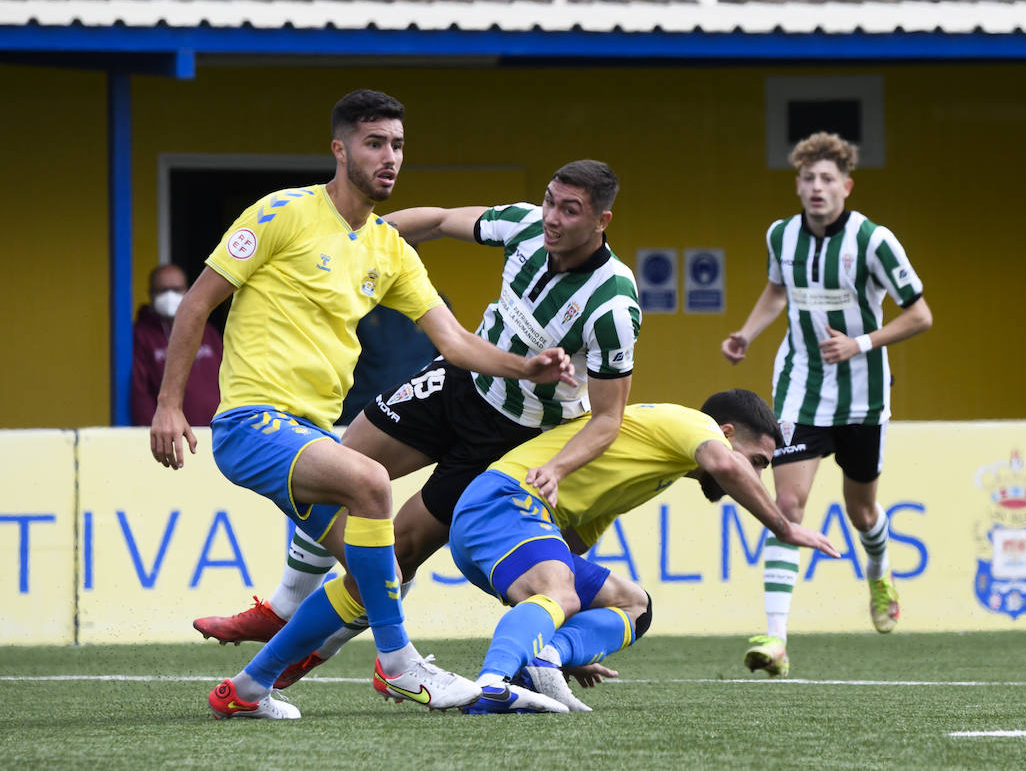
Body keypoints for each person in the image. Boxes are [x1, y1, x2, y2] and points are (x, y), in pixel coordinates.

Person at [150, 89, 575, 720]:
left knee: (377, 577)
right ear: (340, 149)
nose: (390, 157)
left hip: (309, 433)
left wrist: (526, 367)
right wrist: (169, 405)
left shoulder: (389, 249)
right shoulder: (280, 213)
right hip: (251, 424)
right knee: (372, 480)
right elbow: (196, 303)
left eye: (398, 145)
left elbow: (455, 343)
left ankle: (245, 689)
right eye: (375, 143)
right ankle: (401, 666)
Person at [192, 160, 639, 681]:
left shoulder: (612, 305)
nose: (552, 217)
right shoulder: (524, 226)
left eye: (570, 209)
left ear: (602, 221)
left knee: (396, 552)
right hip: (457, 382)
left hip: (513, 436)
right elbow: (439, 220)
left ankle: (317, 649)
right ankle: (285, 605)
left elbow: (608, 419)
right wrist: (366, 238)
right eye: (549, 200)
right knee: (341, 467)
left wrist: (558, 469)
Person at [226, 389, 840, 717]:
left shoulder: (652, 467)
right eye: (757, 461)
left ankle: (247, 686)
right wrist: (782, 525)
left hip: (510, 518)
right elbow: (723, 465)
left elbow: (569, 548)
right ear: (730, 435)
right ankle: (497, 681)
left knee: (633, 603)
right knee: (555, 591)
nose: (751, 474)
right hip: (502, 500)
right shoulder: (695, 429)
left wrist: (571, 642)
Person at [721, 131, 933, 679]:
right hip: (800, 391)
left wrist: (860, 342)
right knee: (788, 508)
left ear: (846, 186)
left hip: (863, 396)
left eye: (827, 179)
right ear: (798, 185)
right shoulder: (782, 236)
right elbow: (776, 290)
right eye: (808, 179)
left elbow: (920, 315)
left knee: (862, 511)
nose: (817, 188)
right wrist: (746, 334)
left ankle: (879, 570)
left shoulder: (873, 241)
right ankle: (776, 638)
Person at [131, 263, 221, 426]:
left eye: (176, 289)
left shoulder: (205, 330)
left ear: (187, 290)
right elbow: (139, 392)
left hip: (216, 432)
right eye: (162, 290)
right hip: (172, 434)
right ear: (150, 293)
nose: (170, 295)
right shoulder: (140, 335)